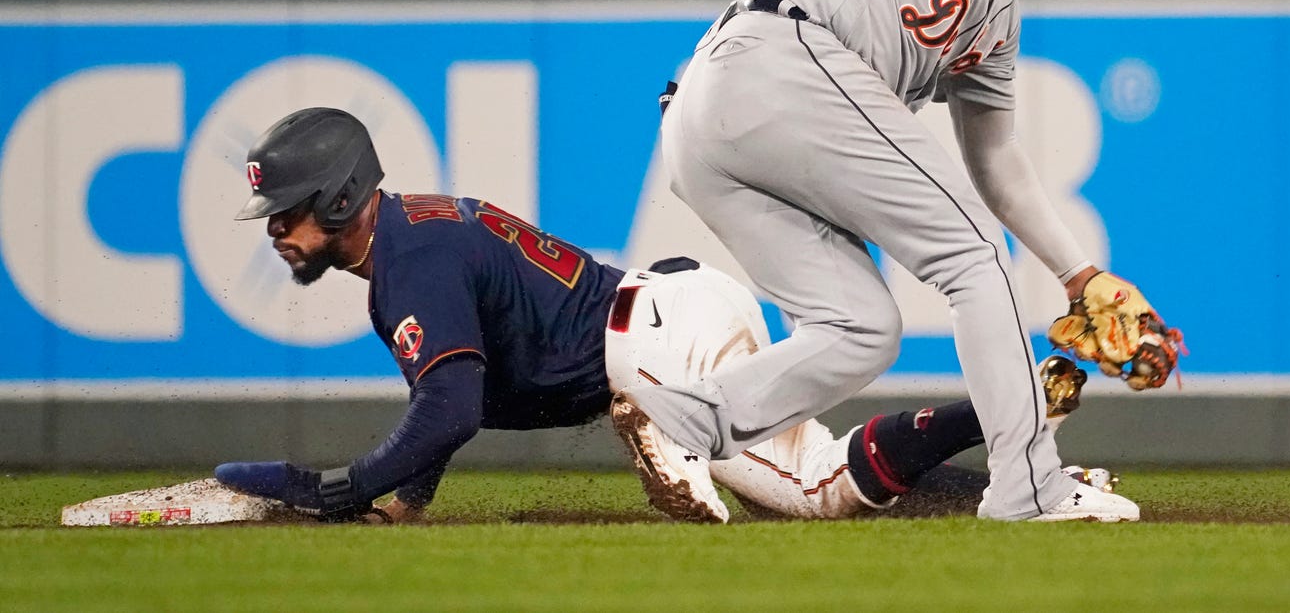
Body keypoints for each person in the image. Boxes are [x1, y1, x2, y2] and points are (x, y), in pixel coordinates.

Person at [592, 0, 1154, 522]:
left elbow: (995, 162)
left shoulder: (996, 12)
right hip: (772, 62)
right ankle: (1029, 487)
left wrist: (1079, 276)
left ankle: (682, 421)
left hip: (724, 120)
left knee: (861, 329)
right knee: (976, 255)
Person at [213, 107, 1104, 523]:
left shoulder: (406, 264)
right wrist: (405, 497)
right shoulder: (415, 235)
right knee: (820, 471)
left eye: (286, 214)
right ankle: (1016, 452)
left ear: (334, 201)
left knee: (816, 496)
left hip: (653, 355)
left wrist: (348, 486)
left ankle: (1008, 410)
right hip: (671, 308)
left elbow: (448, 408)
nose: (278, 234)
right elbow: (452, 404)